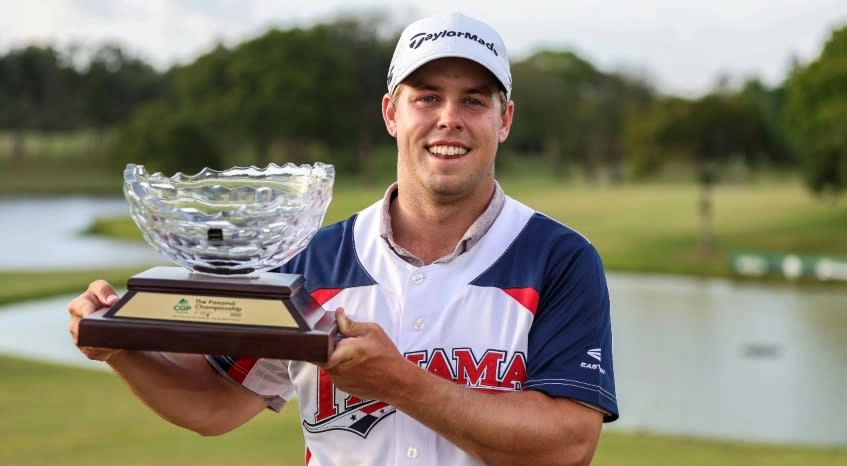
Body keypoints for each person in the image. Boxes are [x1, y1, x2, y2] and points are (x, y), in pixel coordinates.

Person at [68, 12, 618, 466]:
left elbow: (567, 443)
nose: (449, 119)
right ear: (391, 114)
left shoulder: (560, 259)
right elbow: (216, 405)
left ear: (505, 120)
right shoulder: (313, 256)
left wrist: (399, 382)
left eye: (475, 101)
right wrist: (118, 348)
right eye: (426, 98)